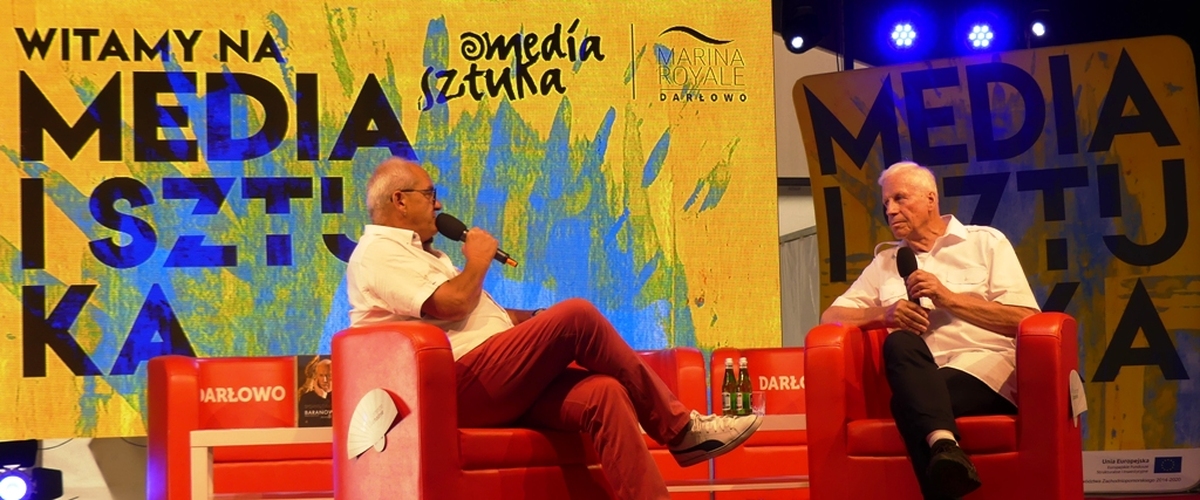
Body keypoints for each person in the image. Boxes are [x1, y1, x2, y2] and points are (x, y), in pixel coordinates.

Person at [344, 157, 762, 499]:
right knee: (577, 314)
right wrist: (478, 260)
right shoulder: (379, 252)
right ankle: (681, 430)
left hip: (496, 379)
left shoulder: (425, 254)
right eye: (429, 194)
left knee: (604, 393)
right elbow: (452, 303)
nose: (438, 204)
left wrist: (536, 320)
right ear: (400, 200)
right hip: (455, 387)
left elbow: (471, 314)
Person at [821, 161, 1040, 500]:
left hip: (985, 370)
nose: (890, 210)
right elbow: (830, 317)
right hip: (923, 373)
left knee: (907, 406)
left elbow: (1024, 319)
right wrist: (884, 314)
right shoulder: (885, 262)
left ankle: (941, 453)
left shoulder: (985, 243)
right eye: (886, 203)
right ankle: (945, 446)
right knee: (900, 342)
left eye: (900, 198)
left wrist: (947, 298)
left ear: (930, 199)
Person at [298, 357, 333, 427]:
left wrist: (323, 397)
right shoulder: (306, 399)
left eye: (328, 375)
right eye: (321, 375)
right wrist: (321, 398)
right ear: (316, 377)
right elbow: (304, 426)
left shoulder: (341, 398)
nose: (324, 380)